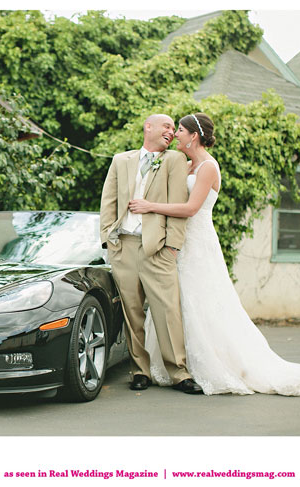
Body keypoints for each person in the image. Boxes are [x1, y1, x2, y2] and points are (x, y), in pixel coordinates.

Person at [129, 113, 300, 395]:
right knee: (176, 302)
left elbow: (191, 208)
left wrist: (149, 206)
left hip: (199, 243)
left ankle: (211, 365)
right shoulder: (185, 165)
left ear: (193, 135)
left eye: (180, 130)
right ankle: (176, 365)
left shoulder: (208, 167)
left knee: (202, 303)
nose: (176, 134)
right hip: (180, 243)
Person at [100, 114, 203, 394]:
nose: (171, 132)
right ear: (149, 127)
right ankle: (139, 371)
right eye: (167, 126)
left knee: (168, 311)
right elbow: (108, 201)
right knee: (131, 313)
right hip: (124, 247)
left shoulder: (174, 160)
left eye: (174, 128)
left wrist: (172, 247)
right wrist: (108, 241)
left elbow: (179, 204)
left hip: (158, 249)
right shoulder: (121, 160)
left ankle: (179, 372)